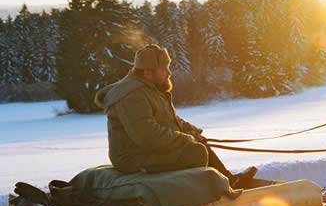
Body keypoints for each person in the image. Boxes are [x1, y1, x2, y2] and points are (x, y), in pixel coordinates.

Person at [94, 44, 257, 188]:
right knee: (195, 152)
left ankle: (228, 180)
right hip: (133, 157)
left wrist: (193, 131)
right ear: (147, 73)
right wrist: (187, 139)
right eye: (164, 69)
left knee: (201, 145)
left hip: (144, 149)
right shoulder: (132, 96)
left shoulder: (150, 88)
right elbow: (147, 136)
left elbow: (169, 120)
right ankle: (208, 192)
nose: (169, 73)